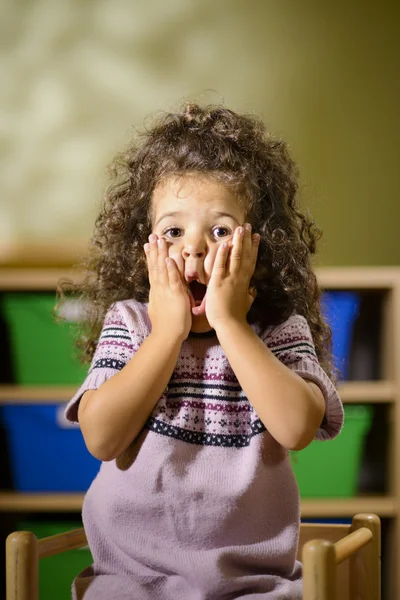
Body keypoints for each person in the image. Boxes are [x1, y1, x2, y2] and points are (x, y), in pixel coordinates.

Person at [63, 102, 344, 600]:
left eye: (219, 231)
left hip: (254, 585)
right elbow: (101, 439)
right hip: (131, 580)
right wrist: (165, 335)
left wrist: (231, 324)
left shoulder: (277, 331)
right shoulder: (130, 324)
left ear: (260, 247)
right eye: (173, 231)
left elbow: (298, 427)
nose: (193, 249)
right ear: (144, 248)